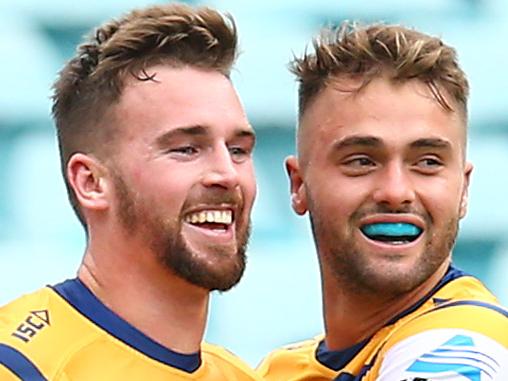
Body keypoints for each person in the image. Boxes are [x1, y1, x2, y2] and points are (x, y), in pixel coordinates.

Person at [0, 3, 261, 380]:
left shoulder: (238, 375)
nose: (227, 175)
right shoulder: (21, 366)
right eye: (186, 148)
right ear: (91, 182)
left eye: (237, 150)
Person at [257, 22, 508, 380]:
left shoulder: (465, 348)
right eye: (362, 161)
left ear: (463, 189)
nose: (396, 191)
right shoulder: (277, 370)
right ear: (299, 185)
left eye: (427, 162)